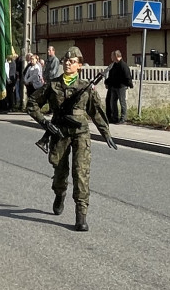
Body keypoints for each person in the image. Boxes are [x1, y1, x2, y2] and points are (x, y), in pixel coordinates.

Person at [26, 46, 116, 232]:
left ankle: (81, 215)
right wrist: (44, 123)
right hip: (59, 132)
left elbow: (96, 111)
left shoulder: (85, 88)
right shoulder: (53, 85)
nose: (68, 63)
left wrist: (106, 133)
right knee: (60, 172)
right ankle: (60, 194)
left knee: (81, 173)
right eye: (66, 61)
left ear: (79, 66)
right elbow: (32, 103)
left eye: (72, 61)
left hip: (81, 133)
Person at [104, 50, 134, 124]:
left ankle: (123, 118)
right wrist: (107, 82)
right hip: (114, 86)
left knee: (122, 102)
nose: (111, 57)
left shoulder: (123, 65)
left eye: (112, 56)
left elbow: (127, 76)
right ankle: (115, 118)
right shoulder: (114, 65)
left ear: (116, 56)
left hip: (121, 87)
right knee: (113, 102)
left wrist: (129, 84)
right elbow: (111, 76)